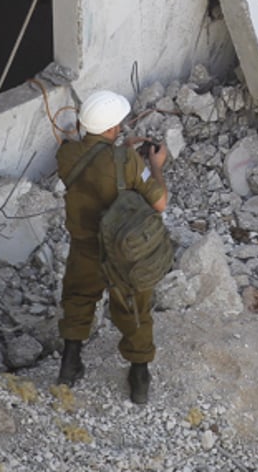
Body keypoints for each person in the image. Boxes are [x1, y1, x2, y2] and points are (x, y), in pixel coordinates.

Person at [55, 90, 168, 404]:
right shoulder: (128, 160)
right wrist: (154, 165)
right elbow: (159, 202)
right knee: (134, 308)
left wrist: (121, 152)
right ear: (112, 128)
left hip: (85, 246)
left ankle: (70, 364)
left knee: (78, 298)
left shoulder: (66, 155)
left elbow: (95, 163)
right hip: (122, 253)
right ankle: (139, 375)